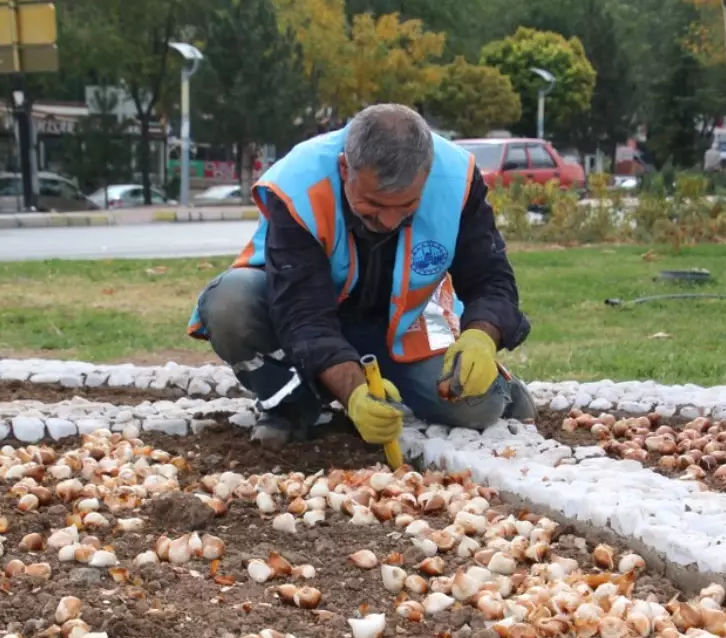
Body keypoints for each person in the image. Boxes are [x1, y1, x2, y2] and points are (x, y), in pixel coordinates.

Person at [187, 103, 534, 447]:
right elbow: (303, 315)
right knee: (229, 303)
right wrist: (354, 392)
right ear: (345, 168)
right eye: (374, 205)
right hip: (301, 318)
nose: (389, 221)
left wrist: (481, 338)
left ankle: (503, 390)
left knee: (476, 406)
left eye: (407, 206)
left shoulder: (458, 178)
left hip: (401, 331)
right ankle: (291, 406)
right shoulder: (299, 182)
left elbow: (491, 279)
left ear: (426, 177)